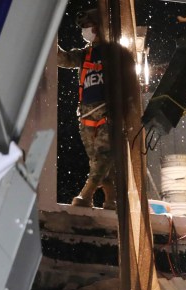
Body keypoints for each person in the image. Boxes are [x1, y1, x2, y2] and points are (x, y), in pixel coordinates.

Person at [57, 8, 116, 209]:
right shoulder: (85, 55)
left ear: (99, 27)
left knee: (103, 158)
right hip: (86, 116)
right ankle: (111, 198)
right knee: (98, 163)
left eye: (87, 26)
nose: (85, 31)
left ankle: (86, 196)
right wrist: (50, 40)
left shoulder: (114, 53)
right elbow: (62, 59)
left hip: (108, 114)